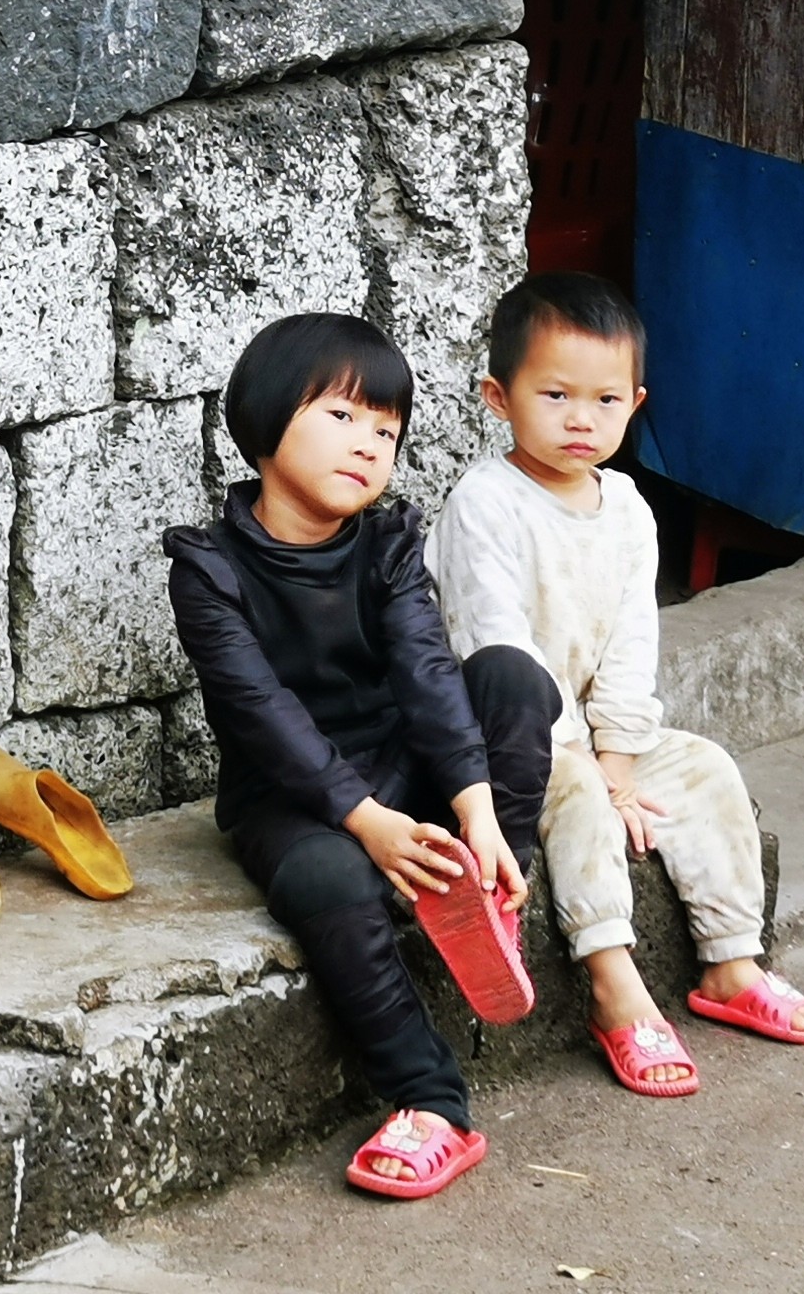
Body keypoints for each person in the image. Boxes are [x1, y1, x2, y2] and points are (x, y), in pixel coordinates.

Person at [163, 311, 544, 1201]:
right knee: (328, 881)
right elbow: (262, 714)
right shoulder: (209, 570)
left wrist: (478, 810)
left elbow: (427, 671)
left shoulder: (388, 543)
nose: (369, 445)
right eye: (342, 417)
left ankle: (489, 897)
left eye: (387, 430)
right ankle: (434, 1101)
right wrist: (368, 825)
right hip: (292, 797)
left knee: (512, 681)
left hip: (404, 764)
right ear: (263, 421)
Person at [426, 270, 804, 1099]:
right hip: (501, 745)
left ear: (636, 402)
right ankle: (614, 986)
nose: (583, 418)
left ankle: (730, 962)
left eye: (606, 400)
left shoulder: (630, 511)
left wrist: (623, 758)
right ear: (498, 397)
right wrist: (593, 770)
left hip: (590, 739)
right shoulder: (484, 502)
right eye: (556, 394)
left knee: (704, 767)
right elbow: (493, 646)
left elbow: (629, 647)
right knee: (573, 788)